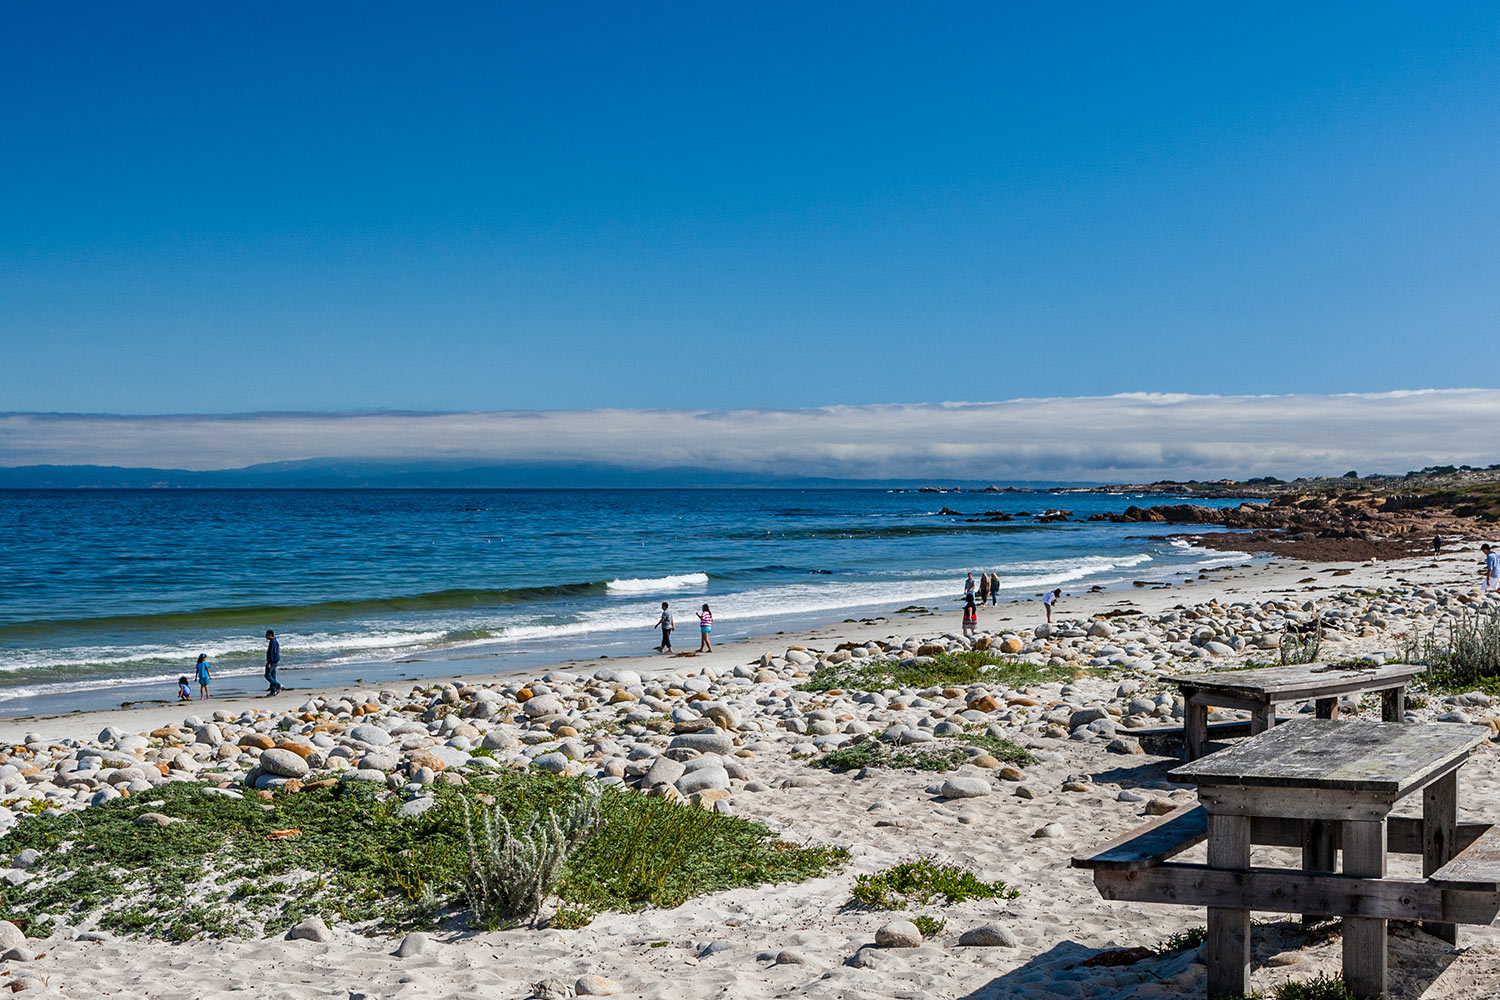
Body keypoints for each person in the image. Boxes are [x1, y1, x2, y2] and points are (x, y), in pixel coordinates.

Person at [264, 629, 282, 695]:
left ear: (270, 635)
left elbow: (272, 653)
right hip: (275, 660)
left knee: (267, 675)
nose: (265, 636)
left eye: (266, 635)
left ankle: (277, 685)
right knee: (273, 675)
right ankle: (273, 690)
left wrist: (269, 662)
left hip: (272, 661)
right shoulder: (274, 641)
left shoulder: (273, 642)